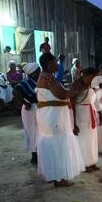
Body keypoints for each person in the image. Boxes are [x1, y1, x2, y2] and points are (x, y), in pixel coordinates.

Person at [36, 52, 85, 187]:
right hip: (54, 116)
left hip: (50, 115)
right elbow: (62, 95)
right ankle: (59, 178)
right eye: (54, 62)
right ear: (48, 64)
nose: (57, 64)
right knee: (58, 144)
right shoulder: (48, 78)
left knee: (53, 144)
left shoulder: (46, 77)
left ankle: (54, 175)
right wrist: (76, 87)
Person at [70, 67, 102, 173]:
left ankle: (92, 162)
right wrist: (73, 123)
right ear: (86, 75)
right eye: (92, 78)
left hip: (91, 114)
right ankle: (84, 164)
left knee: (92, 140)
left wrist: (99, 113)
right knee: (84, 140)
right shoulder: (76, 85)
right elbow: (72, 105)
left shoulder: (91, 84)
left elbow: (95, 100)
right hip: (80, 115)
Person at [13, 63, 40, 165]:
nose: (40, 73)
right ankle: (34, 156)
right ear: (32, 73)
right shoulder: (25, 83)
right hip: (30, 110)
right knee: (32, 132)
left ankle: (39, 153)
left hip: (38, 108)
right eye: (38, 71)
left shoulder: (37, 82)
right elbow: (15, 92)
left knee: (39, 131)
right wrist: (24, 103)